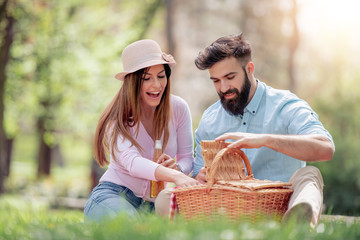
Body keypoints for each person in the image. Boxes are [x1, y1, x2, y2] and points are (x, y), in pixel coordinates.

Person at [193, 33, 335, 227]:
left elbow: (326, 148)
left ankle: (296, 226)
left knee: (310, 174)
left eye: (230, 77)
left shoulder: (286, 105)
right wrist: (199, 177)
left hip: (282, 207)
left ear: (249, 69)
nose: (223, 88)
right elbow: (195, 180)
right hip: (232, 210)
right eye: (216, 81)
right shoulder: (209, 120)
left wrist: (265, 139)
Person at [84, 39, 200, 222]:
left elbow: (187, 158)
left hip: (153, 206)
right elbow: (132, 162)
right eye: (147, 78)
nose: (157, 85)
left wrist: (178, 167)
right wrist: (174, 175)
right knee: (132, 228)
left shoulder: (178, 108)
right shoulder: (117, 119)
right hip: (114, 195)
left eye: (161, 76)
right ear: (133, 81)